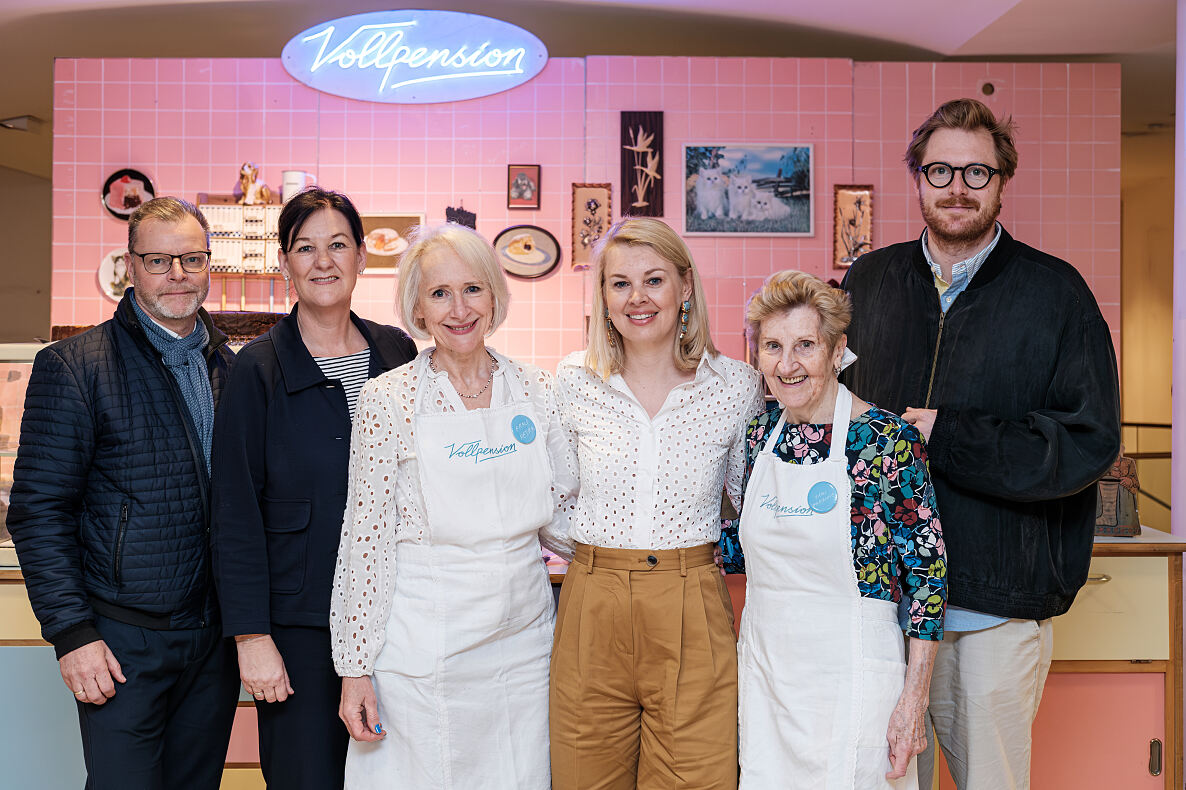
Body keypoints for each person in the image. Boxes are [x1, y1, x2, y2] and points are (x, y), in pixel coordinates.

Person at [841, 98, 1121, 789]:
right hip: (882, 609)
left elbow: (1088, 443)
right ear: (917, 178)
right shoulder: (868, 283)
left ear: (1002, 182)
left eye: (976, 172)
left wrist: (947, 433)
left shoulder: (1057, 294)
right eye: (940, 171)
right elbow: (834, 413)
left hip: (993, 608)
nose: (957, 188)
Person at [330, 223, 577, 789]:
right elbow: (364, 544)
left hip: (524, 643)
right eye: (439, 293)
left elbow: (566, 517)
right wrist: (355, 667)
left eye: (472, 289)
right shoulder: (388, 399)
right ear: (417, 306)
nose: (458, 309)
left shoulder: (537, 390)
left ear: (495, 295)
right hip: (423, 647)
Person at [8, 197, 240, 790]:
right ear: (129, 268)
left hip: (212, 640)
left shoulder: (232, 369)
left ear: (210, 263)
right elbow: (38, 512)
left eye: (191, 258)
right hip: (119, 640)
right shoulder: (74, 366)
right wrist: (73, 634)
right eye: (158, 260)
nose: (178, 274)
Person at [210, 188, 417, 789]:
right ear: (285, 264)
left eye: (338, 246)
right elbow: (235, 513)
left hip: (393, 617)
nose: (323, 261)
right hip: (299, 627)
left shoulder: (397, 352)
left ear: (361, 259)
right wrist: (252, 637)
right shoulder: (259, 367)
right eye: (306, 248)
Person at [550, 217, 763, 790]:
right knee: (583, 777)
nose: (637, 298)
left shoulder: (735, 385)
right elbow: (548, 498)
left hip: (690, 598)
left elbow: (750, 503)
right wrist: (597, 554)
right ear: (603, 296)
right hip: (592, 599)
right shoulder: (572, 381)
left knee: (696, 778)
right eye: (619, 284)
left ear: (685, 286)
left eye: (654, 280)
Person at [719, 270, 946, 789]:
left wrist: (914, 698)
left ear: (837, 349)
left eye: (805, 345)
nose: (788, 364)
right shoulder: (760, 437)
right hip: (769, 673)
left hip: (856, 674)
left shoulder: (885, 440)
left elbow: (928, 577)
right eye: (773, 346)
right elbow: (749, 548)